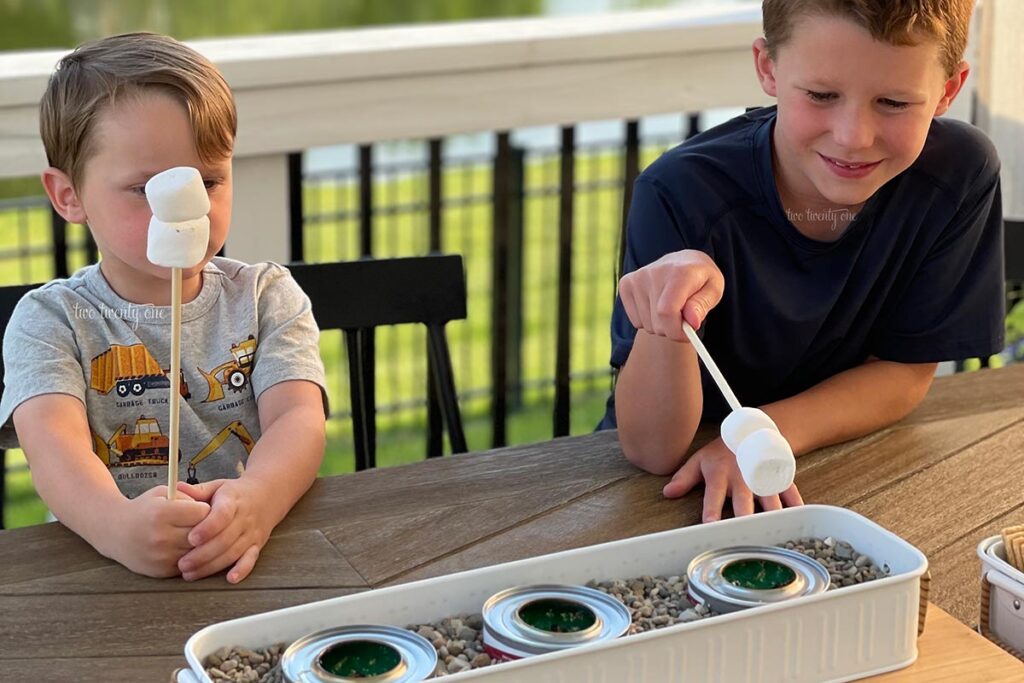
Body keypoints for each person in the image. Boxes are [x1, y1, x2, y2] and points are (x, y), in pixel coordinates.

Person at [602, 0, 1003, 523]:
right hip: (661, 493)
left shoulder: (959, 174)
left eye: (894, 102)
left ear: (948, 90)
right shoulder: (681, 191)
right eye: (821, 95)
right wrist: (665, 320)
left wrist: (765, 435)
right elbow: (652, 450)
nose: (853, 136)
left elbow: (904, 372)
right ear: (768, 68)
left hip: (835, 471)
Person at [0, 33, 328, 583]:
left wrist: (258, 501)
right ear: (68, 196)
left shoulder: (266, 297)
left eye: (208, 181)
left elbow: (298, 418)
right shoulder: (51, 322)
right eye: (146, 188)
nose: (186, 210)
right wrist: (115, 526)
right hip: (104, 573)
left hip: (241, 559)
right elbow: (53, 446)